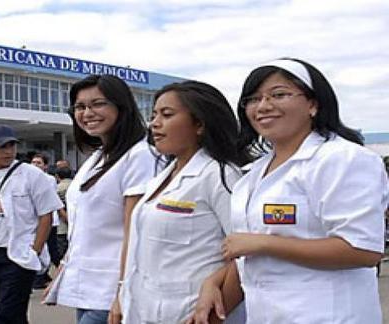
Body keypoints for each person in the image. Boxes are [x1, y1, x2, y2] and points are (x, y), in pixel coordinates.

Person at [187, 58, 389, 324]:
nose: (263, 106)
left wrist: (264, 243)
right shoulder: (253, 175)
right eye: (253, 99)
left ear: (313, 104)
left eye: (279, 94)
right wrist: (215, 283)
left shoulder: (344, 159)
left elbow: (361, 250)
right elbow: (248, 255)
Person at [117, 81, 248, 323]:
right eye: (153, 115)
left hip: (192, 313)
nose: (154, 123)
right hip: (145, 310)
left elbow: (245, 257)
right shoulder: (163, 176)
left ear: (199, 124)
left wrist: (212, 317)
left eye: (167, 115)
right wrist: (121, 296)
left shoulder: (221, 175)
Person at [44, 75, 162, 324]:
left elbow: (136, 232)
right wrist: (64, 271)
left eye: (98, 104)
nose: (88, 113)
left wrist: (122, 291)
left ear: (122, 107)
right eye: (80, 106)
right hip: (87, 288)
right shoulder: (99, 157)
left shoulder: (140, 156)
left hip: (112, 292)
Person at [0, 124, 63, 324]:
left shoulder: (32, 175)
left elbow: (46, 215)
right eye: (1, 147)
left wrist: (35, 250)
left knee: (7, 314)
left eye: (11, 146)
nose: (8, 152)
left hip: (17, 254)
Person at [31, 153, 62, 289]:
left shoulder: (49, 179)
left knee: (51, 249)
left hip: (49, 221)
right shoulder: (28, 178)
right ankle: (41, 276)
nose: (35, 165)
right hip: (34, 221)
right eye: (33, 162)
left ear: (45, 166)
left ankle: (61, 272)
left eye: (38, 163)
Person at [54, 166, 72, 260]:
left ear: (57, 176)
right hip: (76, 226)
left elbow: (57, 207)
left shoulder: (57, 189)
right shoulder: (77, 186)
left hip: (62, 228)